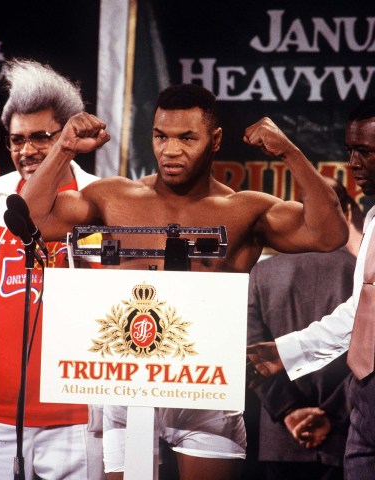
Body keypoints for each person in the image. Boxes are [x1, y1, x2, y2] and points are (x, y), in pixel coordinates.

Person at [20, 83, 349, 480]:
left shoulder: (245, 209)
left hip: (206, 388)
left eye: (186, 138)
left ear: (215, 141)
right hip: (125, 382)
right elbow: (33, 221)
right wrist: (63, 148)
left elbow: (329, 234)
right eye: (161, 136)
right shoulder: (113, 196)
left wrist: (290, 153)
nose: (170, 150)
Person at [246, 97, 375, 480]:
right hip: (359, 414)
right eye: (350, 151)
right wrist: (286, 351)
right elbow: (362, 314)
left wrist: (287, 149)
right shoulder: (372, 221)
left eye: (365, 152)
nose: (354, 163)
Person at [0, 59, 105, 480]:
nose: (27, 150)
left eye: (42, 137)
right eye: (17, 139)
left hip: (79, 417)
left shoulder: (103, 199)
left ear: (69, 136)